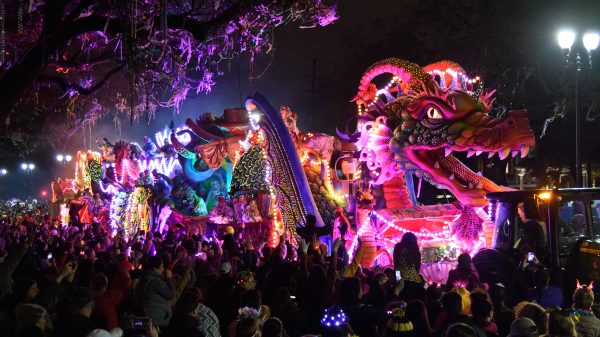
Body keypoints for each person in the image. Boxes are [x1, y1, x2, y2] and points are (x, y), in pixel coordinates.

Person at [135, 256, 175, 329]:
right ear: (155, 268)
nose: (163, 269)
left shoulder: (146, 277)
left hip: (151, 316)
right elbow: (171, 294)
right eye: (162, 267)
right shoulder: (155, 281)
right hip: (157, 319)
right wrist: (169, 279)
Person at [393, 233, 425, 302]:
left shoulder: (398, 248)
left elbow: (396, 265)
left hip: (400, 277)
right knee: (413, 302)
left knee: (400, 301)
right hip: (414, 278)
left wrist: (397, 279)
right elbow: (417, 267)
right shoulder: (416, 251)